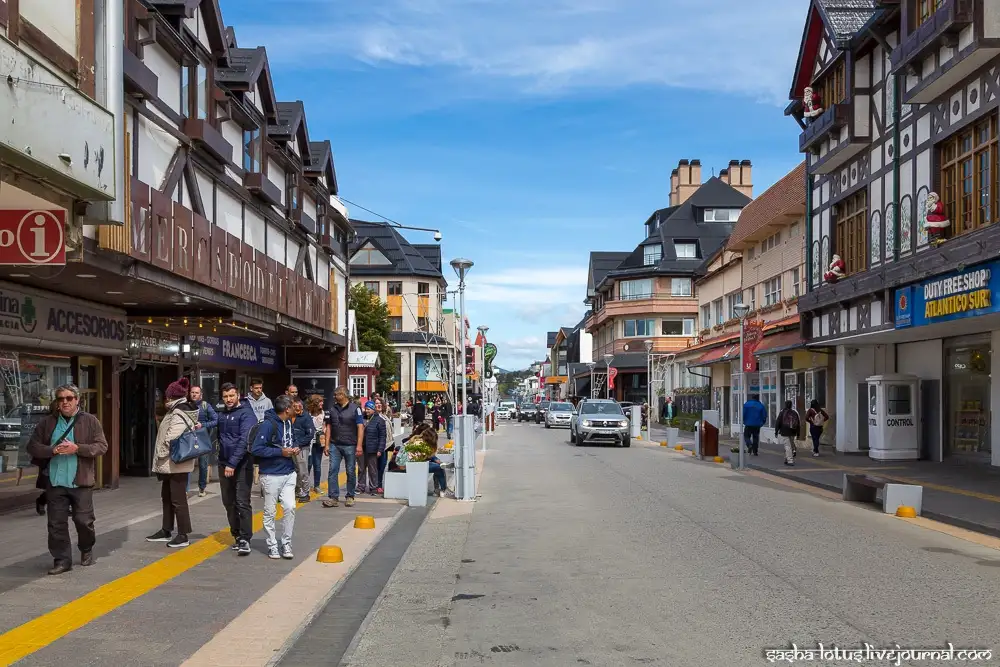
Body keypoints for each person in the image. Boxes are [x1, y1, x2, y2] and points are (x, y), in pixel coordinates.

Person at [26, 384, 108, 575]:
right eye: (61, 399)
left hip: (80, 482)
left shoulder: (90, 421)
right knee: (56, 524)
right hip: (55, 481)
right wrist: (51, 450)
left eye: (69, 398)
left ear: (77, 400)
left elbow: (101, 446)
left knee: (83, 521)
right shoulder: (47, 423)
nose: (65, 402)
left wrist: (77, 448)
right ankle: (62, 560)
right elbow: (32, 446)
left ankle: (86, 548)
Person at [146, 378, 198, 549]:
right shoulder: (177, 410)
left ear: (171, 396)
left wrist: (160, 455)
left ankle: (183, 535)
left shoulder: (179, 412)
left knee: (178, 499)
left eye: (167, 396)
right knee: (167, 497)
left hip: (175, 462)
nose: (165, 400)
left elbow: (172, 437)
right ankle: (166, 529)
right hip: (171, 463)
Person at [251, 394, 298, 559]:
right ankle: (272, 544)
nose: (296, 408)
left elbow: (289, 441)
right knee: (270, 511)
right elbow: (257, 449)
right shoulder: (267, 425)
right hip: (270, 474)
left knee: (290, 507)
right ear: (287, 409)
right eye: (293, 406)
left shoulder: (289, 423)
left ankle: (286, 542)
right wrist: (280, 452)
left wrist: (294, 448)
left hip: (289, 472)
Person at [216, 382, 256, 555]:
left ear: (238, 395)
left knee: (242, 502)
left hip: (242, 464)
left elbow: (244, 440)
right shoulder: (222, 413)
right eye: (225, 397)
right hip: (224, 462)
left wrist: (232, 463)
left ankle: (245, 538)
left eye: (231, 396)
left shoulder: (247, 414)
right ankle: (237, 535)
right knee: (228, 502)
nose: (228, 399)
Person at [323, 386, 364, 508]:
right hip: (335, 444)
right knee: (332, 470)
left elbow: (360, 427)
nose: (335, 397)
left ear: (343, 395)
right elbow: (329, 427)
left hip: (350, 444)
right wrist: (326, 444)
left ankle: (350, 496)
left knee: (350, 471)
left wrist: (359, 445)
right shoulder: (332, 409)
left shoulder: (355, 409)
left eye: (337, 395)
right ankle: (333, 497)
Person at [187, 384, 218, 497]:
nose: (194, 394)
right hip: (188, 439)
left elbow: (215, 421)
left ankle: (202, 488)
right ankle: (186, 489)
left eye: (196, 393)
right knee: (187, 465)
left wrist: (203, 425)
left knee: (203, 465)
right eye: (192, 392)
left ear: (201, 395)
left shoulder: (206, 406)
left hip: (202, 439)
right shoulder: (186, 405)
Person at [356, 400, 386, 496]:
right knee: (361, 468)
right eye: (365, 408)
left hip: (373, 448)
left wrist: (380, 449)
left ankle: (373, 488)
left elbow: (382, 436)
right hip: (362, 447)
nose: (366, 411)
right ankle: (361, 486)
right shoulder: (361, 419)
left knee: (373, 469)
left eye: (368, 409)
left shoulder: (379, 420)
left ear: (373, 409)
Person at [290, 397, 316, 502]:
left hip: (301, 447)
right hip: (290, 447)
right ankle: (297, 490)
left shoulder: (306, 417)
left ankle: (305, 492)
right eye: (294, 407)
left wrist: (298, 444)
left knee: (303, 471)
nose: (296, 409)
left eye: (298, 407)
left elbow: (310, 434)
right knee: (295, 471)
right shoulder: (289, 416)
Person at [306, 394, 327, 493]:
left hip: (319, 442)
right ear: (314, 403)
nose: (322, 403)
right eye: (320, 401)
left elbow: (325, 426)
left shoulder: (323, 413)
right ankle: (305, 485)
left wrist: (324, 430)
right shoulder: (307, 414)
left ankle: (317, 485)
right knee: (308, 464)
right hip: (309, 442)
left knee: (317, 464)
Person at [775, 400, 801, 466]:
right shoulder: (794, 413)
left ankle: (790, 460)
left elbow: (778, 422)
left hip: (784, 431)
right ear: (791, 405)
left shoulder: (782, 412)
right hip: (793, 431)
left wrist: (776, 431)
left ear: (785, 405)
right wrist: (798, 434)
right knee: (791, 445)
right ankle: (787, 459)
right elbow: (798, 424)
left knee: (787, 446)